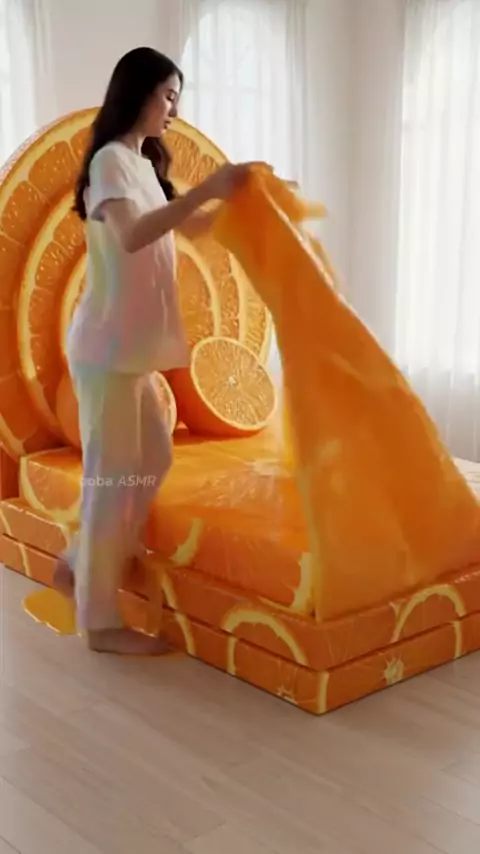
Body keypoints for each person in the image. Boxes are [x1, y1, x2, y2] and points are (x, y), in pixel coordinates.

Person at [54, 46, 260, 655]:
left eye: (177, 97)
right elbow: (134, 234)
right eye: (168, 95)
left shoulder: (143, 164)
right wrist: (204, 192)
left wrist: (253, 206)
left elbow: (185, 226)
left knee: (154, 457)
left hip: (129, 353)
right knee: (112, 478)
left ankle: (79, 562)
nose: (175, 108)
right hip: (107, 351)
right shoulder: (110, 162)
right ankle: (100, 623)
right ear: (138, 92)